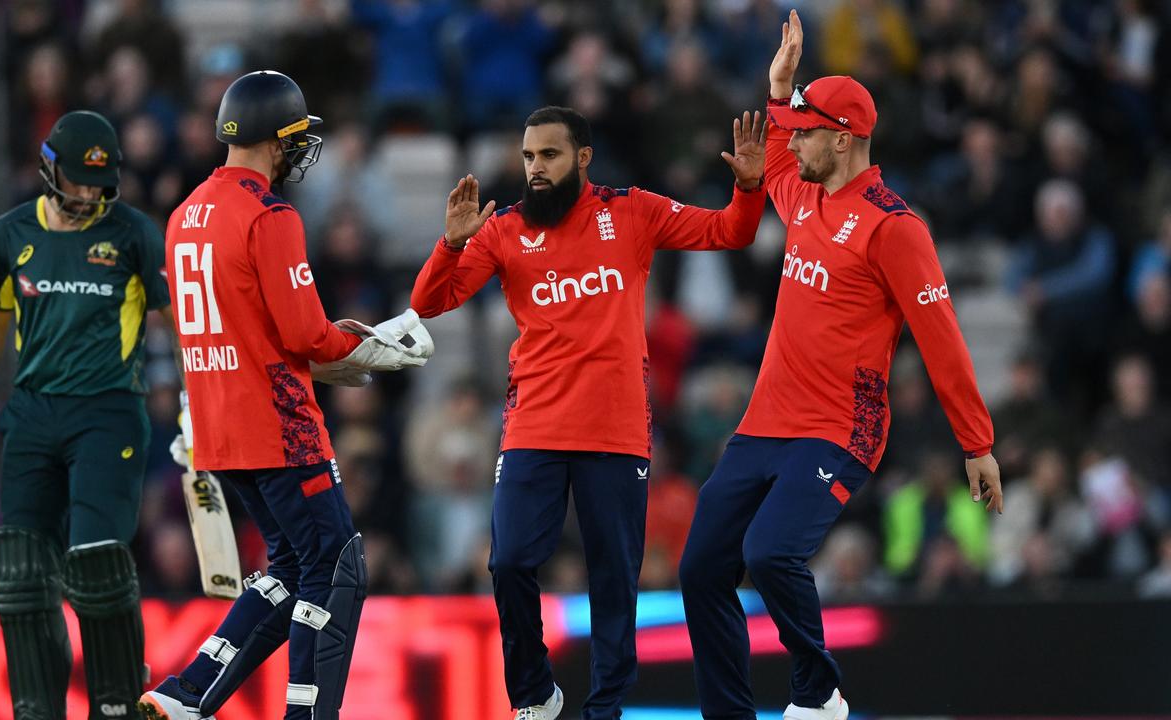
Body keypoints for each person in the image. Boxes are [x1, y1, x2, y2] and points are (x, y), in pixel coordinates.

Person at [677, 11, 1003, 720]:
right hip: (766, 421)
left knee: (768, 556)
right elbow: (780, 159)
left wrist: (976, 443)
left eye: (807, 127)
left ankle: (818, 694)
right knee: (701, 568)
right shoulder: (804, 194)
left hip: (839, 427)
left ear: (844, 137)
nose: (793, 139)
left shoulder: (895, 227)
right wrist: (782, 84)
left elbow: (942, 338)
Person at [412, 104, 768, 719]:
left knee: (613, 579)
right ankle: (533, 696)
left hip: (616, 429)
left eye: (549, 155)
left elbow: (730, 232)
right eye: (528, 157)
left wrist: (749, 185)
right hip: (535, 425)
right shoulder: (504, 229)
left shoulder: (630, 210)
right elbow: (431, 300)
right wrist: (450, 243)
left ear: (582, 158)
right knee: (510, 560)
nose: (536, 169)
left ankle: (605, 710)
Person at [137, 70, 432, 720]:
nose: (300, 151)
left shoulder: (185, 214)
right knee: (338, 568)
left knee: (295, 566)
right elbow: (306, 334)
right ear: (277, 141)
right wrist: (374, 350)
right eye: (296, 139)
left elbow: (236, 329)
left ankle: (187, 693)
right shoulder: (269, 215)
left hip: (219, 424)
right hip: (280, 426)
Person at [0, 110, 171, 720]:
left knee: (94, 556)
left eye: (100, 183)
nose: (89, 194)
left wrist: (199, 406)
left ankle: (118, 698)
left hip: (109, 411)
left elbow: (178, 324)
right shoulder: (11, 235)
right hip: (33, 414)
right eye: (78, 180)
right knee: (19, 567)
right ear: (49, 168)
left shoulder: (133, 234)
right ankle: (37, 707)